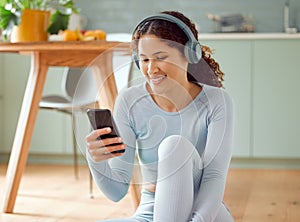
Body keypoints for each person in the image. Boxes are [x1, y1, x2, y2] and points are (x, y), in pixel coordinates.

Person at [86, 10, 234, 222]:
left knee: (174, 146)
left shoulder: (217, 101)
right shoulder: (129, 100)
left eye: (160, 58)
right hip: (151, 211)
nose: (151, 69)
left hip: (205, 212)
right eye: (144, 59)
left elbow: (214, 176)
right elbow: (116, 191)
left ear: (190, 55)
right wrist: (96, 160)